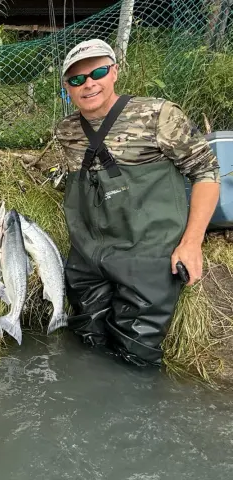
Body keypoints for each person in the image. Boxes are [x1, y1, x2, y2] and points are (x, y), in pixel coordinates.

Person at [55, 39, 221, 367]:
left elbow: (207, 173)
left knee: (136, 357)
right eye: (77, 79)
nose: (88, 84)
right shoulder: (66, 131)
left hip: (147, 254)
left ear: (114, 72)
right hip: (89, 256)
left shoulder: (158, 114)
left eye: (97, 72)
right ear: (67, 88)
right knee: (87, 342)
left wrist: (191, 243)